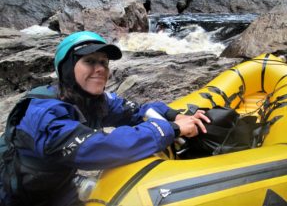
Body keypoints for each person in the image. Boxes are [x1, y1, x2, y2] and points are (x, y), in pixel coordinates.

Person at [0, 31, 210, 206]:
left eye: (103, 62)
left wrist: (172, 114)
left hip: (59, 188)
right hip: (18, 199)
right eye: (89, 61)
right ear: (66, 69)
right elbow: (96, 148)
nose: (100, 69)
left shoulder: (92, 100)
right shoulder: (44, 114)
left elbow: (136, 111)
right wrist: (170, 129)